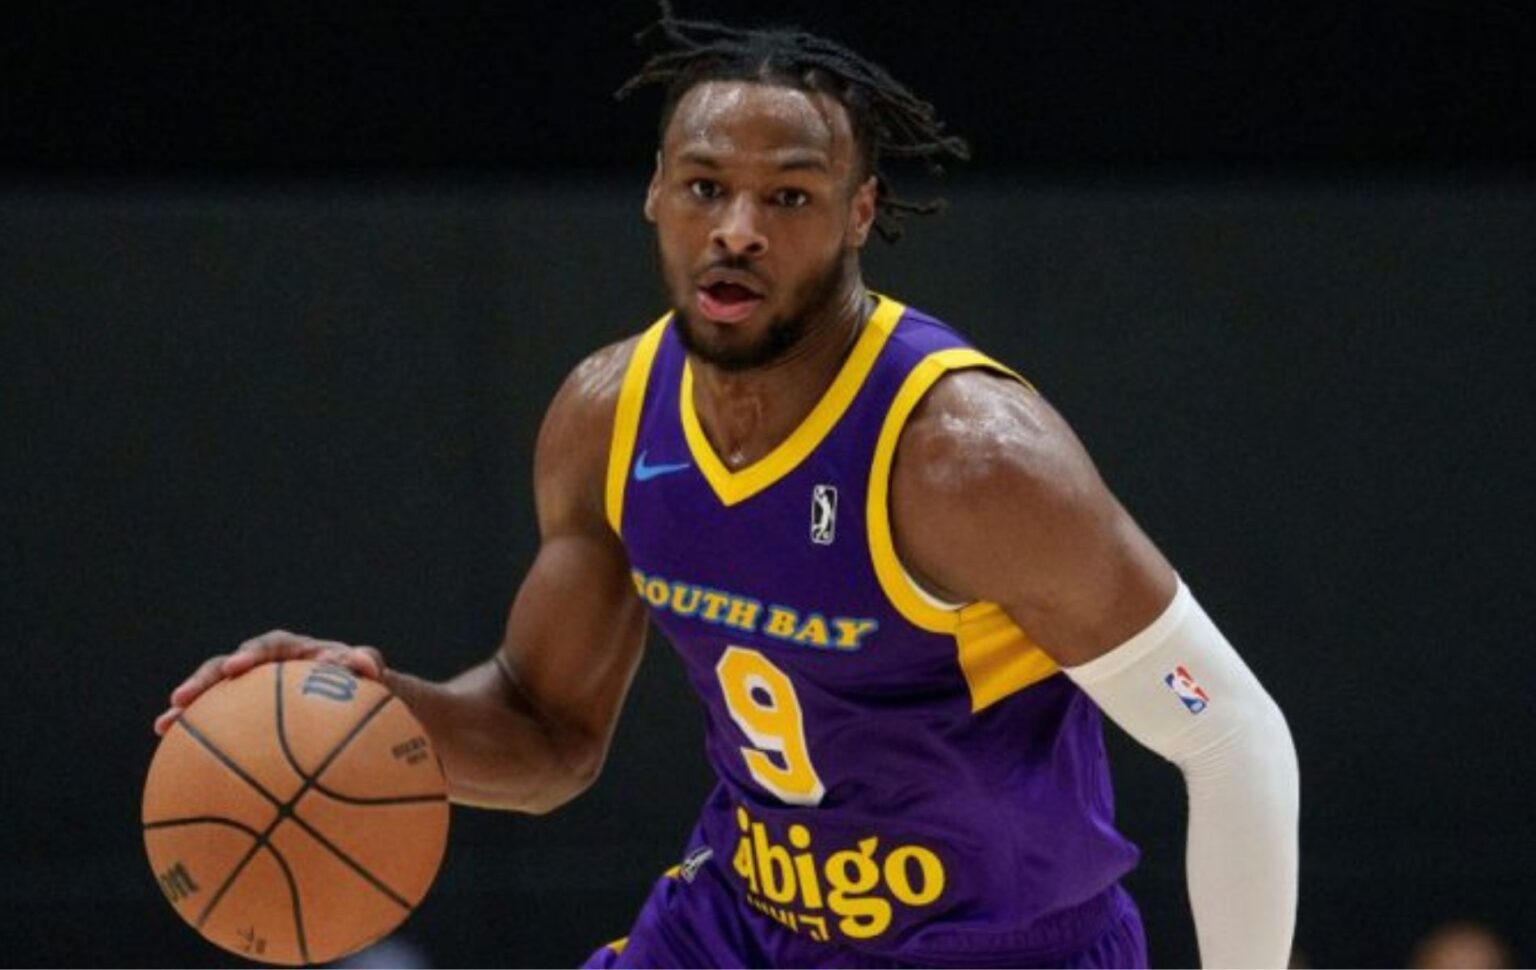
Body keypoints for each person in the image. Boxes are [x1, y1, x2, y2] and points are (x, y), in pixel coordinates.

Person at [155, 6, 1299, 968]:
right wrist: (366, 715)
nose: (738, 230)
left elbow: (1232, 735)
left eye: (789, 197)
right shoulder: (609, 414)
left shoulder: (966, 457)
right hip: (743, 927)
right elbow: (546, 732)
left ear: (859, 214)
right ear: (655, 193)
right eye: (705, 186)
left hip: (998, 945)